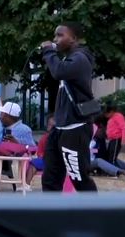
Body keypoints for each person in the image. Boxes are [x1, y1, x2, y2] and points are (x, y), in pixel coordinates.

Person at [40, 22, 98, 192]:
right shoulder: (69, 58)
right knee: (50, 177)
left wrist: (49, 51)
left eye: (60, 35)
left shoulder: (80, 58)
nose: (55, 39)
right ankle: (53, 216)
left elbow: (59, 71)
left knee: (79, 178)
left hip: (75, 128)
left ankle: (96, 215)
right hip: (60, 128)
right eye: (54, 35)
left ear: (73, 38)